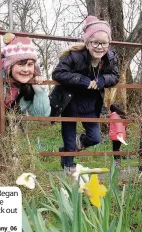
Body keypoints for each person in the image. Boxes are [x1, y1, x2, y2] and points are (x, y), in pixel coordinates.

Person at [50, 15, 119, 171]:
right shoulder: (74, 56)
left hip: (91, 105)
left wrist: (103, 80)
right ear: (87, 43)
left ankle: (68, 149)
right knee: (68, 135)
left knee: (95, 138)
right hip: (70, 103)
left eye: (104, 43)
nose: (99, 47)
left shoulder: (110, 58)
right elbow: (58, 73)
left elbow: (115, 76)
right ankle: (68, 166)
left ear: (108, 44)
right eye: (95, 42)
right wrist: (80, 79)